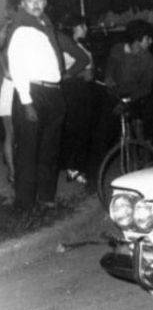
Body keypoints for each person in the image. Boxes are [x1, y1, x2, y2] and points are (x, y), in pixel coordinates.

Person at [6, 0, 66, 214]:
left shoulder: (45, 26)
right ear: (22, 4)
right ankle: (23, 205)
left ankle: (47, 198)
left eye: (40, 0)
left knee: (49, 150)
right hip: (32, 93)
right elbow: (17, 66)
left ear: (45, 2)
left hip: (53, 92)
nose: (36, 4)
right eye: (30, 1)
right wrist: (26, 101)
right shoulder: (21, 28)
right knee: (29, 152)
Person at [104, 19, 153, 139]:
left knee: (149, 117)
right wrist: (109, 81)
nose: (151, 41)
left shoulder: (147, 58)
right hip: (115, 95)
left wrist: (128, 101)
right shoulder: (117, 50)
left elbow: (146, 86)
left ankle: (146, 149)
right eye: (147, 38)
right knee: (105, 127)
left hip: (135, 97)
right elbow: (109, 73)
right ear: (138, 39)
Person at [58, 16, 93, 185]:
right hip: (73, 90)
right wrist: (74, 75)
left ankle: (76, 166)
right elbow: (65, 72)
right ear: (73, 27)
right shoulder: (66, 47)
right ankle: (72, 168)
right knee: (75, 130)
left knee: (82, 130)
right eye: (82, 26)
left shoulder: (82, 45)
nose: (85, 29)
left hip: (83, 90)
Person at [0, 20, 14, 185]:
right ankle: (12, 172)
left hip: (8, 91)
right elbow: (9, 74)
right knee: (12, 135)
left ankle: (13, 171)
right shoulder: (6, 50)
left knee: (11, 135)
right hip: (11, 91)